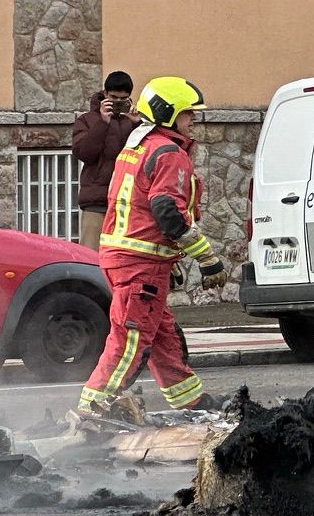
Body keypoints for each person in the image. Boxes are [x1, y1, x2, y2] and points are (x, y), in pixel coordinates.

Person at [76, 76, 225, 416]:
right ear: (169, 114)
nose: (193, 122)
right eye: (188, 114)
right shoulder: (169, 153)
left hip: (128, 258)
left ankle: (191, 402)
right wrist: (207, 258)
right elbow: (166, 211)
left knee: (163, 338)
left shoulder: (137, 146)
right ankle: (92, 410)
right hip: (140, 263)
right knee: (130, 341)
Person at [69, 71, 138, 251]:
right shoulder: (87, 120)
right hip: (96, 202)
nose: (116, 103)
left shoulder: (132, 121)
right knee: (91, 258)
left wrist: (138, 125)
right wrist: (103, 122)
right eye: (113, 97)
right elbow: (84, 153)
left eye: (123, 99)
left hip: (127, 203)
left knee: (124, 258)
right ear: (105, 94)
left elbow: (144, 156)